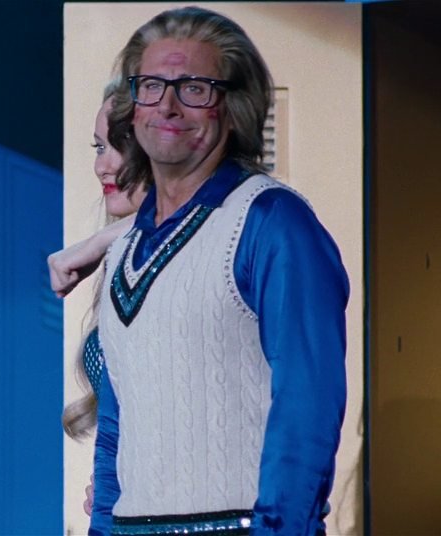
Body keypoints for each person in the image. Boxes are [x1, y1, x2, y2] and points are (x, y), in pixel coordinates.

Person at [89, 6, 349, 535]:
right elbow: (115, 434)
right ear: (132, 109)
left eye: (194, 88)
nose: (168, 105)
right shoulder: (122, 253)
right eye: (151, 86)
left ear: (233, 109)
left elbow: (308, 406)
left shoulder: (271, 222)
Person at [52, 82, 147, 520]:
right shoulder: (126, 252)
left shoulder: (189, 250)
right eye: (98, 147)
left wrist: (99, 241)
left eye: (118, 146)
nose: (101, 166)